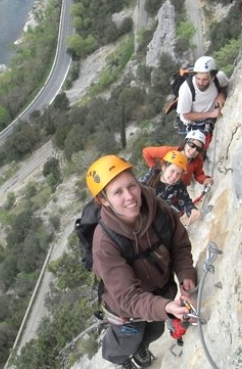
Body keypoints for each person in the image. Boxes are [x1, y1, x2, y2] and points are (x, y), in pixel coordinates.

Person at [86, 155, 198, 369]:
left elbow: (179, 245)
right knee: (127, 340)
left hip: (160, 295)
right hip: (126, 310)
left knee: (155, 331)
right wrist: (165, 306)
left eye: (131, 186)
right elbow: (128, 297)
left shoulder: (159, 210)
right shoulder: (105, 242)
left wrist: (185, 275)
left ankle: (141, 348)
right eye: (117, 192)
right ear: (104, 200)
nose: (130, 197)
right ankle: (123, 360)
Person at [175, 56, 228, 151]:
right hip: (190, 123)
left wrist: (221, 94)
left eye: (205, 79)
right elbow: (186, 115)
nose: (200, 82)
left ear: (212, 76)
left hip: (208, 121)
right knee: (190, 153)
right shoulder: (186, 89)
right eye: (198, 78)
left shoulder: (219, 78)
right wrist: (211, 114)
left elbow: (225, 85)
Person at [139, 149, 202, 225]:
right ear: (164, 167)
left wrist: (192, 210)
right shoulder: (153, 173)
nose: (174, 176)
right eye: (172, 171)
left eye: (178, 174)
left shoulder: (178, 185)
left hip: (161, 218)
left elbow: (186, 202)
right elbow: (138, 188)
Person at [142, 129, 212, 189]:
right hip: (159, 184)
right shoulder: (169, 152)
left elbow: (198, 174)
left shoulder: (197, 160)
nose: (194, 150)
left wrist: (204, 180)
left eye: (198, 149)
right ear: (185, 143)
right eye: (192, 145)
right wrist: (155, 170)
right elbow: (146, 152)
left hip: (177, 190)